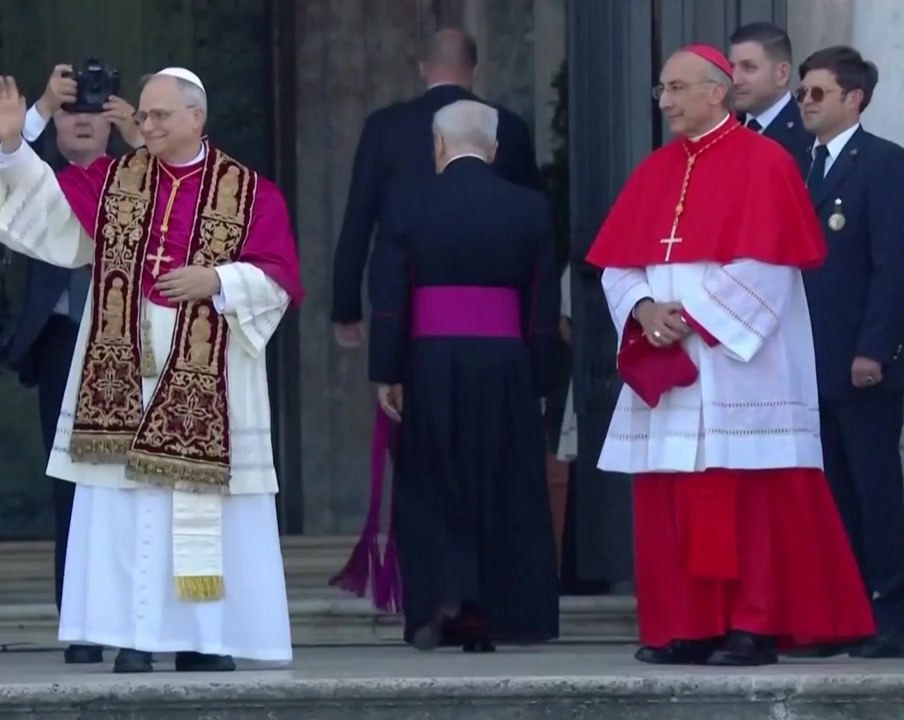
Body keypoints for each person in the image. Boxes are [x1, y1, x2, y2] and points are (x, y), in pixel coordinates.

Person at [0, 67, 303, 673]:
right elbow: (47, 212)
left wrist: (219, 280)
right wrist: (11, 147)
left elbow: (281, 276)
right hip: (122, 371)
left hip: (209, 378)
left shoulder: (250, 191)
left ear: (196, 118)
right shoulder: (114, 180)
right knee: (127, 511)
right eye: (143, 115)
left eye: (158, 116)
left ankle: (205, 639)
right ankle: (134, 635)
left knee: (203, 511)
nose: (143, 126)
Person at [585, 44, 875, 666]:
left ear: (715, 93)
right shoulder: (654, 170)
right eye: (661, 89)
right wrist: (643, 311)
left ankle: (753, 625)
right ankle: (688, 625)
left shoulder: (766, 163)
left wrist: (687, 320)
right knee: (675, 500)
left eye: (675, 88)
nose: (663, 100)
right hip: (671, 362)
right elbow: (617, 265)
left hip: (740, 367)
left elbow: (768, 269)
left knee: (748, 500)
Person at [369, 99, 559, 652]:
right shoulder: (529, 208)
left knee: (431, 482)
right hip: (505, 364)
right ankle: (503, 613)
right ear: (495, 150)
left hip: (429, 360)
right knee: (505, 482)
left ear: (438, 146)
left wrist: (387, 370)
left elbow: (388, 295)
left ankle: (440, 604)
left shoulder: (406, 202)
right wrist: (540, 380)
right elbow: (542, 305)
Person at [6, 67, 140, 665]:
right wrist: (37, 107)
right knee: (72, 491)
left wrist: (141, 134)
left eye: (93, 113)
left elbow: (188, 191)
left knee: (134, 488)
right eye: (69, 113)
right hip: (63, 345)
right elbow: (5, 162)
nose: (81, 122)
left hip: (133, 351)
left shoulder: (137, 179)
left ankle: (138, 622)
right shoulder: (40, 183)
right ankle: (82, 624)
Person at [329, 27, 539, 349]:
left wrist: (346, 309)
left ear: (423, 67)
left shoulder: (385, 127)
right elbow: (533, 231)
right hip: (495, 313)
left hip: (407, 304)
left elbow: (358, 221)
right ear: (474, 71)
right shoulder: (509, 127)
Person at [797, 45, 904, 658]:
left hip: (862, 365)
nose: (806, 104)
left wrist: (875, 349)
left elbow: (892, 268)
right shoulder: (799, 165)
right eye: (804, 93)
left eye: (818, 93)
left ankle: (889, 611)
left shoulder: (883, 165)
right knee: (830, 493)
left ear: (853, 99)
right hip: (808, 360)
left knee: (874, 489)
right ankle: (844, 613)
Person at [728, 22, 811, 163]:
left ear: (782, 74)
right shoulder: (725, 129)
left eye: (749, 67)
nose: (735, 80)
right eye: (731, 67)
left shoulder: (810, 136)